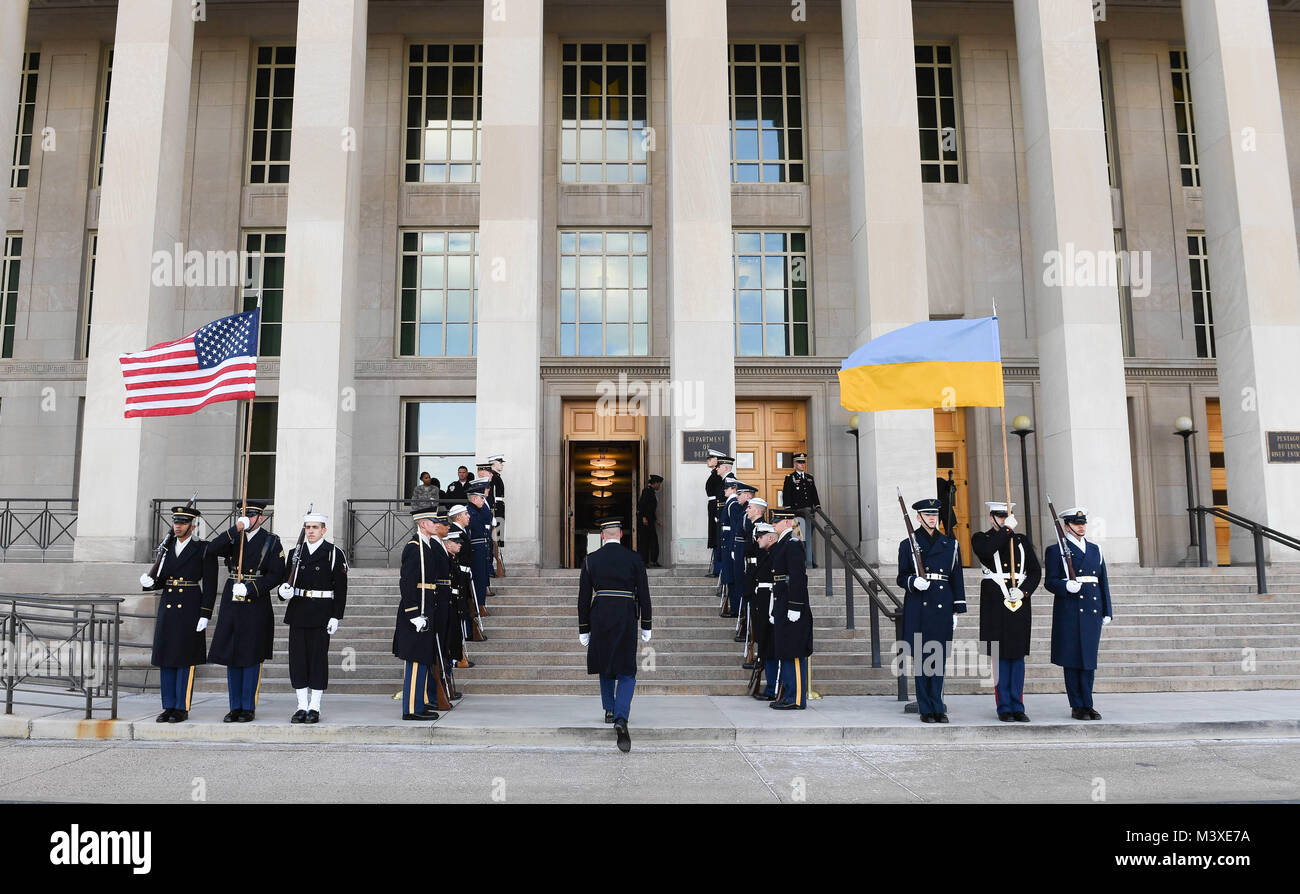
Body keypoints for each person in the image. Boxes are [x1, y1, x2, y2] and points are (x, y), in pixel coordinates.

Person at [205, 501, 286, 723]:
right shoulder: (235, 538)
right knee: (232, 654)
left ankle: (248, 707)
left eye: (252, 516)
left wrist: (252, 588)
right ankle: (235, 706)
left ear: (260, 518)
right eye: (245, 516)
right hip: (233, 599)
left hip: (255, 602)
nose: (248, 519)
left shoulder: (271, 541)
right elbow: (211, 549)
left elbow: (277, 574)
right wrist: (235, 530)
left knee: (251, 654)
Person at [577, 518, 653, 753]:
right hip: (626, 615)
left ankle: (609, 709)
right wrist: (647, 624)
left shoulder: (591, 560)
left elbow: (583, 598)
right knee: (627, 669)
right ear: (620, 535)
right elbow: (645, 594)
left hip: (600, 615)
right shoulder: (634, 558)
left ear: (602, 536)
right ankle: (621, 717)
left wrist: (583, 628)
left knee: (605, 664)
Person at [140, 504, 216, 723]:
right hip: (169, 605)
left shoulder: (203, 548)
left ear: (192, 526)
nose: (178, 526)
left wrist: (205, 613)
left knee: (185, 658)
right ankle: (168, 706)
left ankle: (181, 707)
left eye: (182, 523)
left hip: (190, 605)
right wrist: (150, 583)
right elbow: (161, 577)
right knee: (167, 657)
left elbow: (210, 585)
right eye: (175, 522)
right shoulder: (166, 546)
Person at [896, 497, 966, 723]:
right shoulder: (908, 544)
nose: (932, 518)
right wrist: (912, 582)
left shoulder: (950, 544)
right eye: (927, 515)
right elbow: (901, 576)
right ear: (918, 518)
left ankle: (938, 705)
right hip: (919, 604)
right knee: (922, 658)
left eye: (934, 514)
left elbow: (957, 578)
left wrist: (957, 609)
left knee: (939, 657)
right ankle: (926, 707)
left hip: (942, 602)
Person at [971, 502, 1040, 722]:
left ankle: (1018, 706)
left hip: (1018, 602)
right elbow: (986, 551)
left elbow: (1035, 571)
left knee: (1017, 656)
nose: (1003, 519)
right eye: (999, 516)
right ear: (991, 518)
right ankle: (1004, 707)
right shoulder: (981, 538)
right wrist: (1007, 530)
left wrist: (1024, 592)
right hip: (994, 603)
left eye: (1007, 516)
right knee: (999, 656)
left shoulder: (1021, 541)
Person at [277, 511, 348, 724]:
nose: (310, 531)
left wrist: (337, 616)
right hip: (299, 611)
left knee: (317, 660)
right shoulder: (294, 553)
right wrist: (283, 592)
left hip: (321, 613)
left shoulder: (333, 553)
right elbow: (284, 584)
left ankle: (314, 706)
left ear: (323, 530)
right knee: (298, 660)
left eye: (315, 527)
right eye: (307, 527)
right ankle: (301, 705)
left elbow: (341, 589)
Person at [1044, 507, 1113, 720]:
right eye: (1076, 523)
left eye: (1083, 523)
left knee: (1089, 660)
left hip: (1092, 609)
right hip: (1071, 609)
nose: (1081, 526)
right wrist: (1065, 586)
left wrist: (1107, 610)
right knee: (1072, 659)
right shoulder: (1056, 551)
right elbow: (1050, 582)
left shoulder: (1095, 550)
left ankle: (1088, 703)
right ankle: (1077, 705)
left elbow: (1103, 581)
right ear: (1066, 526)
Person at [393, 505, 446, 720]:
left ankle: (419, 702)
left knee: (423, 658)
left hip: (427, 609)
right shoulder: (414, 547)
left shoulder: (427, 545)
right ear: (423, 524)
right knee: (415, 660)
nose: (437, 525)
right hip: (416, 612)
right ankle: (411, 709)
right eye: (433, 522)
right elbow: (407, 583)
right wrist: (413, 613)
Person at [769, 508, 814, 709]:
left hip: (791, 602)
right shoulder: (783, 543)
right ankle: (787, 694)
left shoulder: (793, 544)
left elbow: (797, 577)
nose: (773, 525)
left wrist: (795, 606)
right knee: (785, 649)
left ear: (788, 523)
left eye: (777, 522)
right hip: (782, 600)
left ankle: (796, 698)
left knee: (793, 652)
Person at [748, 522, 780, 701]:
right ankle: (770, 686)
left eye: (760, 537)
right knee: (765, 646)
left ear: (770, 537)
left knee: (770, 647)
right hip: (762, 602)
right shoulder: (767, 554)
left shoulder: (775, 555)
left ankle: (772, 688)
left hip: (769, 604)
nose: (757, 539)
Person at [782, 452, 821, 568]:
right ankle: (800, 561)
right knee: (798, 537)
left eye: (804, 462)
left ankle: (809, 560)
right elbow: (787, 496)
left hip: (809, 513)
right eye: (800, 462)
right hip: (797, 513)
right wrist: (789, 510)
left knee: (808, 537)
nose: (802, 464)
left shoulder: (809, 478)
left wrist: (817, 505)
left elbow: (814, 493)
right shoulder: (790, 478)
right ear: (795, 464)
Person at [738, 495, 767, 645]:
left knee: (753, 606)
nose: (747, 510)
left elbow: (760, 554)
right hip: (749, 569)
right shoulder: (754, 527)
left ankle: (754, 638)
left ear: (757, 511)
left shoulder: (761, 528)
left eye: (749, 508)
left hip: (755, 571)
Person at [727, 481, 756, 629]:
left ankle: (744, 616)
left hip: (743, 552)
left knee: (741, 584)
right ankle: (741, 612)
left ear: (748, 495)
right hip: (738, 550)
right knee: (738, 582)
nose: (737, 496)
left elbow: (748, 536)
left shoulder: (747, 512)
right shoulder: (743, 509)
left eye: (740, 494)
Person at [466, 482, 495, 616]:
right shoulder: (469, 512)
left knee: (482, 579)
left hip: (482, 550)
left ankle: (481, 605)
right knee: (478, 580)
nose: (484, 500)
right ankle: (477, 607)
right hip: (475, 551)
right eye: (481, 497)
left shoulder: (477, 510)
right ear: (473, 498)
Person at [717, 475, 739, 615]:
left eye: (727, 488)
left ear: (734, 489)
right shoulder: (730, 503)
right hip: (726, 544)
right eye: (724, 487)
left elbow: (735, 528)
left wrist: (732, 548)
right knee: (728, 577)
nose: (724, 490)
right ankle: (733, 606)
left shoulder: (733, 504)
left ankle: (735, 608)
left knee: (732, 578)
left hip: (729, 545)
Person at [704, 449, 726, 573]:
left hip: (716, 507)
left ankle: (718, 569)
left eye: (710, 458)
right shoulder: (714, 474)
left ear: (717, 460)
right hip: (712, 506)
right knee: (714, 535)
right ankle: (716, 568)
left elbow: (720, 495)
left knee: (717, 536)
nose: (708, 460)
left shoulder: (717, 476)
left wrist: (718, 512)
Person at [636, 474, 663, 566]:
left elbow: (650, 508)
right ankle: (644, 562)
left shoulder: (652, 492)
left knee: (653, 541)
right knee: (645, 541)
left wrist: (655, 519)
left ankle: (653, 560)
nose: (659, 486)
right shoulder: (647, 491)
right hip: (645, 521)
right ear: (655, 483)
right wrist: (643, 517)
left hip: (649, 520)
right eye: (659, 484)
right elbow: (641, 505)